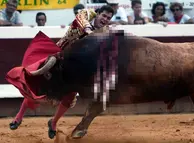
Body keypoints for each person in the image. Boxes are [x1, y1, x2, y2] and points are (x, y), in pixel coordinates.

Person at [7, 5, 114, 139]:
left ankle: (53, 123)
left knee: (69, 97)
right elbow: (82, 17)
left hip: (75, 69)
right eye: (103, 16)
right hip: (58, 58)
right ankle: (19, 117)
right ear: (97, 14)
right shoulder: (85, 18)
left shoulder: (105, 32)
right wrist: (89, 30)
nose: (105, 19)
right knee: (36, 85)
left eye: (108, 18)